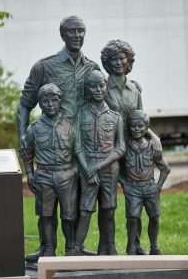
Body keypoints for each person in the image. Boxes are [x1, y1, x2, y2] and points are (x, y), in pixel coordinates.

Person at [18, 15, 100, 260]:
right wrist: (24, 135)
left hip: (81, 147)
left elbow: (102, 101)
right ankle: (47, 249)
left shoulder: (93, 68)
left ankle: (75, 248)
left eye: (80, 30)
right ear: (62, 35)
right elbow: (24, 106)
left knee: (76, 206)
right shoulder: (44, 66)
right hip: (48, 146)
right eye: (71, 31)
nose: (76, 35)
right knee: (47, 207)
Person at [100, 39, 162, 255]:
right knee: (109, 204)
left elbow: (142, 120)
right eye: (113, 59)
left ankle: (134, 245)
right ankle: (107, 246)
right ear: (107, 62)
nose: (118, 62)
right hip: (111, 150)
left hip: (134, 148)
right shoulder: (102, 87)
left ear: (128, 61)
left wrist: (155, 137)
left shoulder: (134, 89)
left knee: (134, 202)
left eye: (122, 58)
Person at [70, 70, 126, 255]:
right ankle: (77, 248)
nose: (98, 89)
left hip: (109, 169)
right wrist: (88, 169)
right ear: (87, 88)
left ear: (106, 86)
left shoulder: (116, 117)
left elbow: (120, 148)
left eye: (101, 85)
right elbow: (76, 146)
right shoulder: (80, 114)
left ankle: (110, 246)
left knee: (109, 209)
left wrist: (98, 167)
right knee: (85, 209)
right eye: (93, 86)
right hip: (87, 168)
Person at [21, 83, 78, 256]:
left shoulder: (70, 127)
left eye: (54, 100)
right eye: (45, 101)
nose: (50, 104)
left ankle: (71, 249)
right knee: (46, 215)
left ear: (60, 101)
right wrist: (30, 174)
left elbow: (78, 153)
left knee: (68, 216)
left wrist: (73, 172)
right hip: (44, 175)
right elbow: (26, 153)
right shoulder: (33, 129)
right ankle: (48, 249)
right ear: (40, 104)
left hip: (66, 175)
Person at [123, 110, 170, 255]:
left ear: (146, 128)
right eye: (133, 126)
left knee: (154, 217)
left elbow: (165, 169)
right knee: (132, 218)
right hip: (132, 188)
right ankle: (131, 247)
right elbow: (116, 169)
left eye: (140, 126)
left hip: (150, 188)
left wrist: (158, 187)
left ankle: (154, 247)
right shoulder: (124, 147)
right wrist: (124, 183)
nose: (136, 129)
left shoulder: (152, 147)